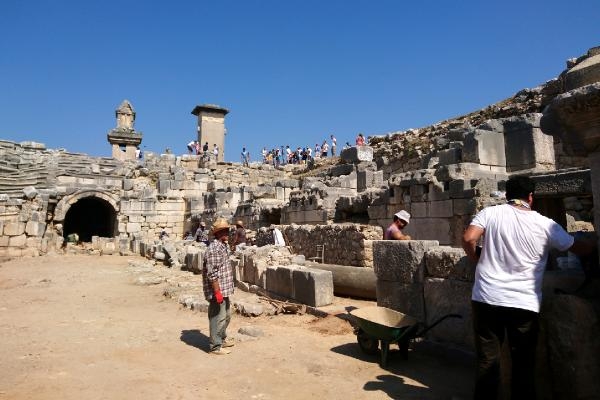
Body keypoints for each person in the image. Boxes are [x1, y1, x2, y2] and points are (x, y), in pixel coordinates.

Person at [461, 176, 594, 400]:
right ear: (531, 197)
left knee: (487, 361)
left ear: (506, 195)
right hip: (524, 303)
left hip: (486, 297)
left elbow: (468, 237)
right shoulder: (545, 223)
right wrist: (591, 249)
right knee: (523, 363)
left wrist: (476, 259)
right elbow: (574, 246)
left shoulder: (490, 213)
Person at [202, 218, 235, 355]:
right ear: (217, 233)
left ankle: (221, 338)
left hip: (225, 288)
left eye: (227, 230)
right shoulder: (214, 248)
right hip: (218, 290)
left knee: (227, 315)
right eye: (223, 231)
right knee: (217, 317)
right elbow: (212, 273)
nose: (226, 233)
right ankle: (215, 346)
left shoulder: (223, 245)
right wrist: (217, 292)